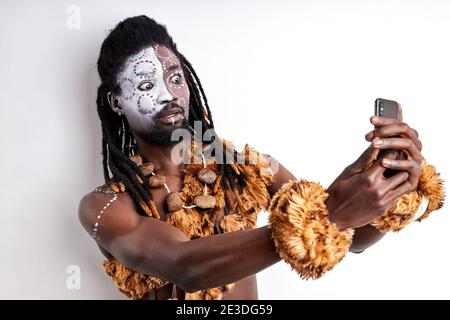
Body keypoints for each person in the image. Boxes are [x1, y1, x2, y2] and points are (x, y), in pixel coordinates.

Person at [78, 15, 445, 300]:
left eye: (175, 78)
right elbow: (185, 266)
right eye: (145, 85)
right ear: (116, 102)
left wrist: (385, 187)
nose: (167, 94)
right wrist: (329, 213)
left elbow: (355, 238)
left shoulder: (244, 169)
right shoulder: (106, 206)